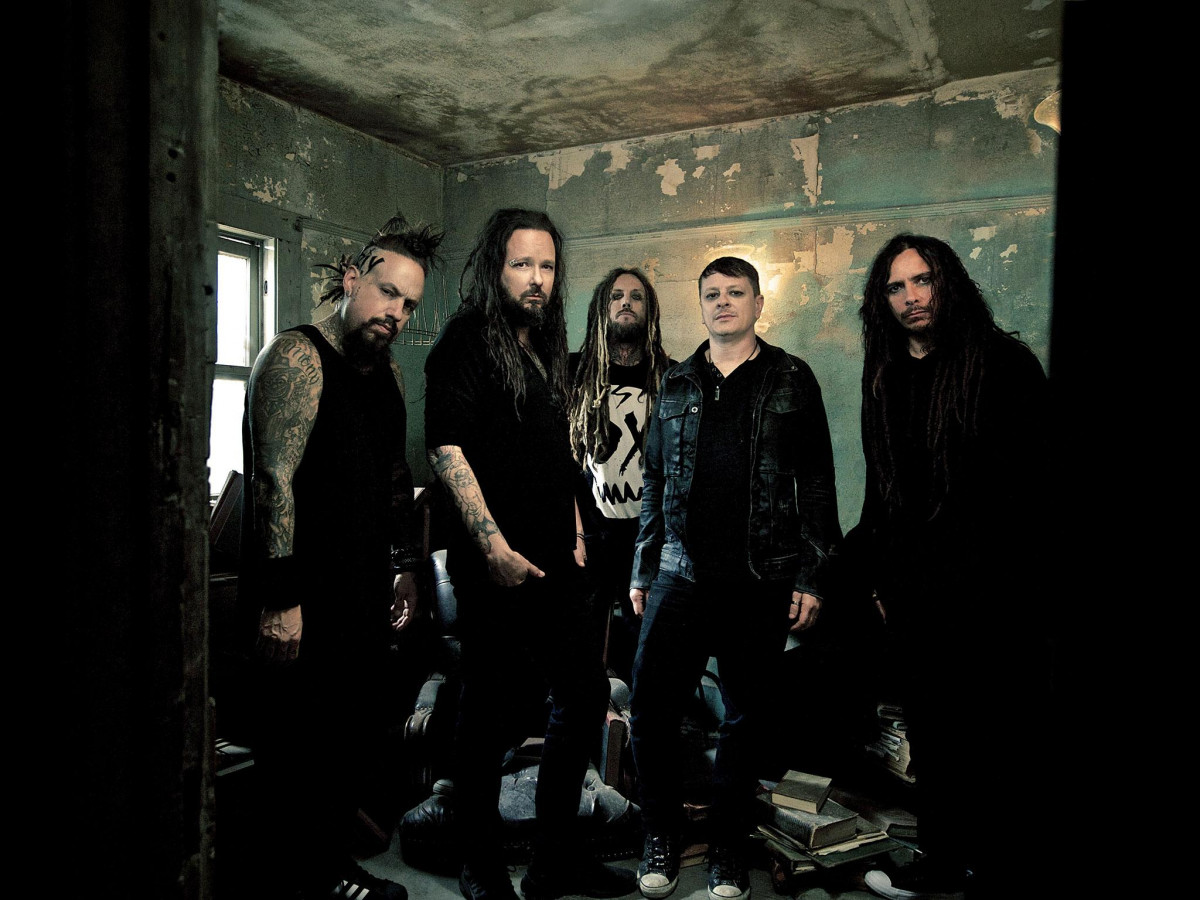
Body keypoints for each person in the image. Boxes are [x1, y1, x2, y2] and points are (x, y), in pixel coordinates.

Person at [424, 209, 636, 900]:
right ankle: (479, 864)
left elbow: (556, 454)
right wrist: (492, 547)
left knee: (584, 695)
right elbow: (446, 449)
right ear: (497, 268)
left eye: (546, 266)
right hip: (497, 565)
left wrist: (575, 531)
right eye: (522, 264)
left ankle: (555, 861)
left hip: (556, 563)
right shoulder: (465, 340)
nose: (537, 279)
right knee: (488, 713)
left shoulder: (543, 344)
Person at [241, 213, 444, 899]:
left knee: (343, 741)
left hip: (358, 595)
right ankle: (304, 880)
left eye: (409, 304)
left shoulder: (386, 375)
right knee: (295, 746)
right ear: (352, 279)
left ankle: (330, 871)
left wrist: (404, 567)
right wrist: (280, 599)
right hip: (298, 598)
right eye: (388, 293)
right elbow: (273, 482)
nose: (397, 313)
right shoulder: (297, 358)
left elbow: (393, 479)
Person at [628, 257, 841, 900]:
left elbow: (818, 484)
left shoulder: (791, 378)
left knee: (745, 720)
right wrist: (643, 568)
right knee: (651, 709)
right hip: (680, 574)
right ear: (700, 305)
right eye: (712, 294)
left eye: (735, 292)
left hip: (760, 577)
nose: (723, 303)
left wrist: (813, 575)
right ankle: (661, 834)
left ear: (757, 304)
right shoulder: (675, 381)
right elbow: (654, 483)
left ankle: (726, 847)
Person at [853, 234, 1051, 900]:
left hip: (996, 592)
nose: (911, 296)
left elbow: (1036, 491)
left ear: (948, 283)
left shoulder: (1003, 364)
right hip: (916, 593)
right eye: (896, 286)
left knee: (998, 736)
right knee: (934, 737)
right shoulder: (884, 373)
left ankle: (999, 869)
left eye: (923, 280)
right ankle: (941, 861)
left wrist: (1018, 588)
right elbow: (881, 491)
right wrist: (878, 579)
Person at [568, 267, 673, 683]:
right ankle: (592, 713)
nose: (626, 302)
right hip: (590, 531)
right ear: (602, 308)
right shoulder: (574, 373)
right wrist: (575, 530)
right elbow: (559, 461)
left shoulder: (671, 377)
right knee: (582, 640)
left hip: (648, 534)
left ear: (650, 311)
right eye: (616, 296)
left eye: (636, 296)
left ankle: (633, 714)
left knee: (644, 642)